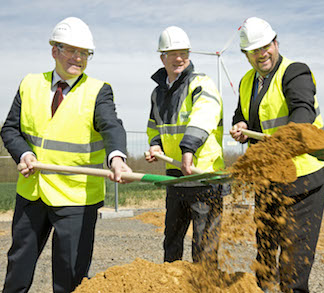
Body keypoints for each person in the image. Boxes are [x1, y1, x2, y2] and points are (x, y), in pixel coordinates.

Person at [1, 17, 132, 293]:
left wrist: (117, 157)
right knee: (17, 270)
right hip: (32, 193)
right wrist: (23, 153)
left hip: (76, 200)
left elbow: (112, 127)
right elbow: (11, 129)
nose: (78, 58)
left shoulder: (98, 91)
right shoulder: (29, 84)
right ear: (54, 51)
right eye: (71, 50)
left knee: (70, 279)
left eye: (84, 52)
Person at [230, 17, 324, 293]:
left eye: (265, 46)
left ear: (275, 43)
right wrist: (240, 126)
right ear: (246, 54)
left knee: (294, 258)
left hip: (304, 176)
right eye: (254, 50)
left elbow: (302, 112)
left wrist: (280, 143)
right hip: (267, 178)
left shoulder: (295, 72)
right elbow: (243, 115)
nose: (261, 54)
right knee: (265, 249)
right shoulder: (246, 81)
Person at [145, 26, 227, 265]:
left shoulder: (202, 84)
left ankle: (205, 287)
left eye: (183, 53)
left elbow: (204, 115)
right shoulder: (157, 93)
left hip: (205, 176)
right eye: (172, 53)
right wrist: (155, 145)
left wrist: (188, 149)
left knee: (205, 246)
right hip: (176, 176)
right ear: (162, 57)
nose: (178, 58)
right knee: (171, 241)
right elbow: (154, 125)